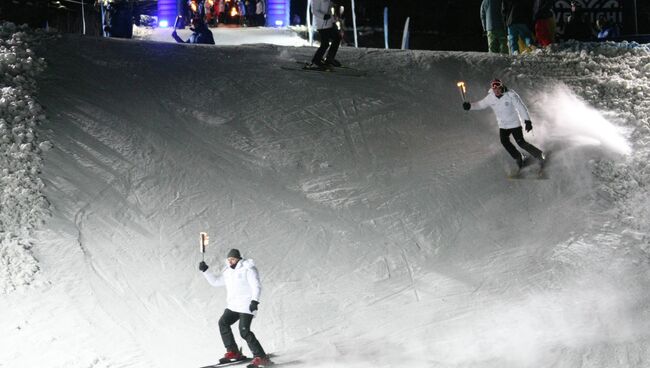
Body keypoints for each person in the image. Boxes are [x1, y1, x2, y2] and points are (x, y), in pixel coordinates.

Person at [199, 249, 272, 367]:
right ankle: (233, 351)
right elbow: (216, 282)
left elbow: (256, 285)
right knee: (223, 322)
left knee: (244, 331)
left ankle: (261, 357)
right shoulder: (228, 271)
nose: (230, 261)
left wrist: (255, 301)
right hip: (233, 305)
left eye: (232, 259)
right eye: (229, 260)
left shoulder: (248, 269)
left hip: (246, 305)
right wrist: (206, 271)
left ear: (238, 258)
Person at [462, 79, 545, 170]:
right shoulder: (491, 97)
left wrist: (527, 121)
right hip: (503, 125)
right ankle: (519, 157)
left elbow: (521, 107)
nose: (496, 91)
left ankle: (539, 155)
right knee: (504, 142)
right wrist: (469, 106)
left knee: (521, 142)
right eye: (494, 89)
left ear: (501, 87)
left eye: (498, 88)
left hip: (514, 124)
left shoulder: (510, 95)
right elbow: (481, 105)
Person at [310, 0, 342, 68]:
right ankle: (316, 60)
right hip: (322, 24)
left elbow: (329, 11)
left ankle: (330, 58)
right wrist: (323, 16)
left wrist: (333, 21)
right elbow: (314, 11)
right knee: (325, 44)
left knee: (337, 37)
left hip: (330, 23)